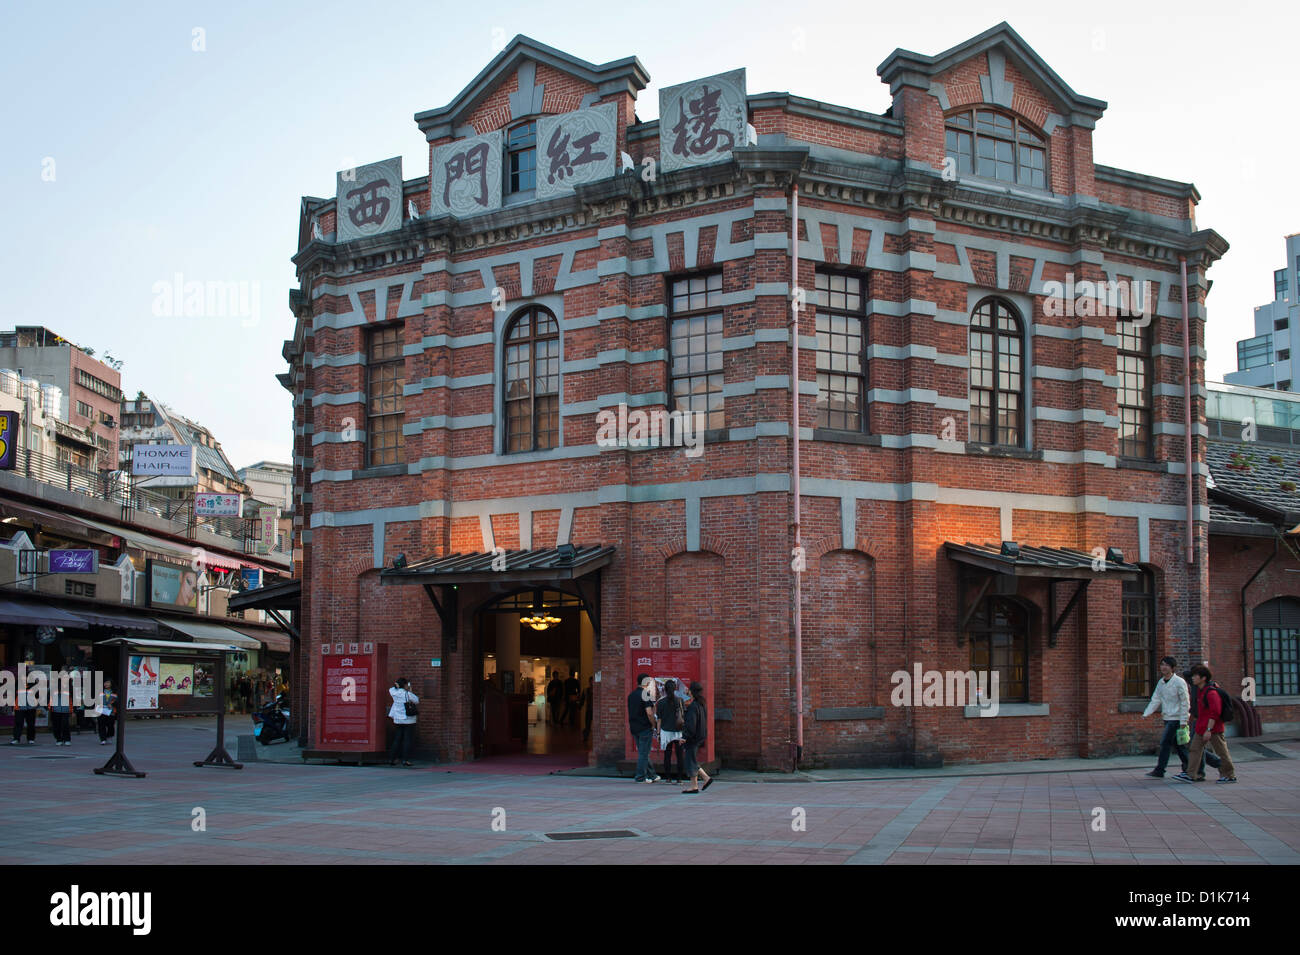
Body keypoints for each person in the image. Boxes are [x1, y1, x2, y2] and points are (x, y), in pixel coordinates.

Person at [1177, 665, 1237, 783]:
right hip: (1201, 727)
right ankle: (1191, 774)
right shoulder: (1200, 690)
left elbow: (1215, 713)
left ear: (1203, 678)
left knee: (1221, 752)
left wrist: (1209, 730)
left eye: (1195, 675)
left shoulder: (1211, 693)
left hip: (1213, 729)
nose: (1193, 678)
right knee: (1194, 749)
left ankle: (1229, 775)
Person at [1142, 656, 1190, 777]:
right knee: (1179, 745)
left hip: (1177, 719)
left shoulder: (1179, 682)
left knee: (1165, 743)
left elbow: (1185, 702)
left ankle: (1160, 770)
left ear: (1172, 668)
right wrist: (1147, 713)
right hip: (1167, 718)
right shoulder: (1161, 682)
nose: (1163, 667)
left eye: (1166, 665)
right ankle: (1189, 767)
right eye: (1162, 664)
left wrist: (1184, 719)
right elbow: (1156, 699)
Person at [627, 673, 660, 783]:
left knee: (643, 752)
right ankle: (640, 776)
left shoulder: (631, 695)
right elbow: (649, 712)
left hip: (634, 727)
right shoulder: (645, 694)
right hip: (644, 727)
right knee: (643, 753)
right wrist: (654, 724)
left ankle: (652, 775)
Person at [681, 681, 712, 793]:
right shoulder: (701, 704)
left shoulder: (693, 706)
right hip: (699, 735)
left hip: (692, 737)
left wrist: (685, 736)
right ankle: (705, 778)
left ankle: (694, 785)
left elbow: (691, 724)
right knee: (691, 759)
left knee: (690, 760)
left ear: (691, 691)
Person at [657, 679, 686, 782]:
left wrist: (658, 733)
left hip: (665, 731)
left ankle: (668, 778)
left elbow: (659, 720)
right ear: (675, 688)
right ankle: (679, 779)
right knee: (679, 755)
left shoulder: (660, 703)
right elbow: (683, 716)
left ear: (664, 689)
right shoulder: (680, 700)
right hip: (678, 731)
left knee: (667, 755)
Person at [387, 677, 418, 767]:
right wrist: (410, 690)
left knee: (397, 739)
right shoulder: (407, 694)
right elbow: (416, 700)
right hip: (408, 719)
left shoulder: (393, 692)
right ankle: (405, 760)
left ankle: (392, 759)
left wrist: (397, 685)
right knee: (407, 740)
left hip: (397, 719)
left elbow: (392, 688)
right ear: (405, 685)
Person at [8, 659, 38, 745]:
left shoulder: (32, 680)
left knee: (31, 723)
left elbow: (37, 692)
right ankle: (16, 738)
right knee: (18, 722)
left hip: (30, 705)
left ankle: (31, 738)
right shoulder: (17, 681)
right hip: (20, 705)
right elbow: (13, 692)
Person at [49, 665, 73, 746]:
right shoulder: (54, 685)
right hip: (55, 709)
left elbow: (74, 698)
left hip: (66, 709)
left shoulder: (70, 686)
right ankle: (58, 739)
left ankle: (67, 739)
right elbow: (48, 696)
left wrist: (74, 710)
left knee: (65, 724)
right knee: (56, 725)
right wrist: (48, 707)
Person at [96, 680, 118, 745]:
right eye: (105, 682)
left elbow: (118, 701)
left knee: (110, 725)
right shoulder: (100, 691)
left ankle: (109, 736)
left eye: (108, 682)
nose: (106, 684)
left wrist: (112, 704)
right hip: (101, 710)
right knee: (101, 725)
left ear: (111, 684)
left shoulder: (115, 692)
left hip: (111, 711)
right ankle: (103, 739)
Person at [582, 675, 594, 744]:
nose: (592, 682)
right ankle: (585, 737)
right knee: (587, 725)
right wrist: (580, 705)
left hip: (595, 710)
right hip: (589, 710)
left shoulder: (597, 690)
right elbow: (582, 699)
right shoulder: (586, 690)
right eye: (591, 681)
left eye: (593, 681)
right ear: (589, 682)